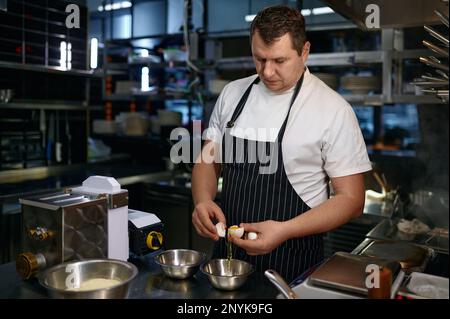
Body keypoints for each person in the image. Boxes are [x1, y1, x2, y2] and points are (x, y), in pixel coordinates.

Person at [191, 5, 372, 283]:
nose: (268, 71)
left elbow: (352, 199)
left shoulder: (333, 109)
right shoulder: (233, 94)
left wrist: (284, 230)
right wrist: (203, 200)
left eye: (279, 60)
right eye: (259, 59)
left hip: (293, 262)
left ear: (305, 51)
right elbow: (209, 160)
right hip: (227, 260)